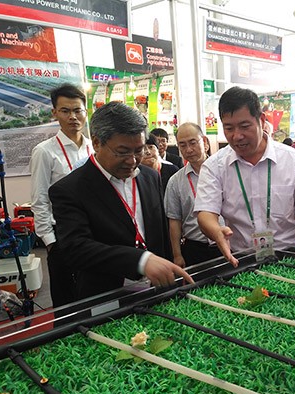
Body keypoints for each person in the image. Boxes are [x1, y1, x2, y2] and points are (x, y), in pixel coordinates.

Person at [49, 102, 193, 300]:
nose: (132, 160)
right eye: (123, 152)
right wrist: (141, 261)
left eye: (139, 150)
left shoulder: (150, 177)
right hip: (107, 295)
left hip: (156, 290)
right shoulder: (70, 189)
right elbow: (77, 248)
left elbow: (159, 231)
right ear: (97, 143)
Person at [195, 86, 295, 267]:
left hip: (290, 254)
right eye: (229, 128)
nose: (237, 136)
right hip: (240, 259)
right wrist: (216, 231)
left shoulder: (293, 160)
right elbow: (206, 212)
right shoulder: (214, 166)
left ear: (261, 120)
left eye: (244, 126)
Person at [30, 83, 92, 307]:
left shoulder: (93, 148)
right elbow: (39, 199)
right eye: (65, 111)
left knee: (93, 292)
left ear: (85, 112)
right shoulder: (44, 151)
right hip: (62, 234)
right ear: (54, 113)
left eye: (77, 110)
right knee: (66, 299)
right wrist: (50, 242)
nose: (72, 117)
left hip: (93, 232)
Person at [165, 122, 222, 267]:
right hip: (195, 249)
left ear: (205, 142)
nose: (189, 149)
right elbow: (174, 221)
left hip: (228, 243)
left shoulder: (223, 172)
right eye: (182, 145)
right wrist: (177, 255)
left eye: (193, 143)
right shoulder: (175, 181)